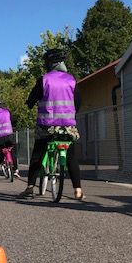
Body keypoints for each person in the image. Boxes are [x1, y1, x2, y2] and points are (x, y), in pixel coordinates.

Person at [20, 48, 83, 200]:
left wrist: (29, 104)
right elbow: (78, 102)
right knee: (71, 156)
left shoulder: (44, 80)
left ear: (49, 63)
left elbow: (32, 98)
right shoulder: (71, 80)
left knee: (37, 155)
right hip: (68, 126)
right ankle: (78, 190)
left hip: (47, 126)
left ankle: (30, 187)